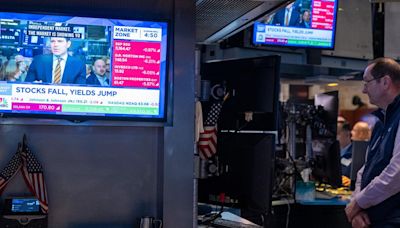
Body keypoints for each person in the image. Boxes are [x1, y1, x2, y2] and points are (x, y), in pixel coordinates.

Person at [345, 57, 400, 228]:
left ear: (385, 82)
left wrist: (359, 203)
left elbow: (396, 173)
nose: (363, 90)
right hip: (373, 218)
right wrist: (357, 205)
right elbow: (365, 169)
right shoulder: (380, 121)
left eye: (367, 83)